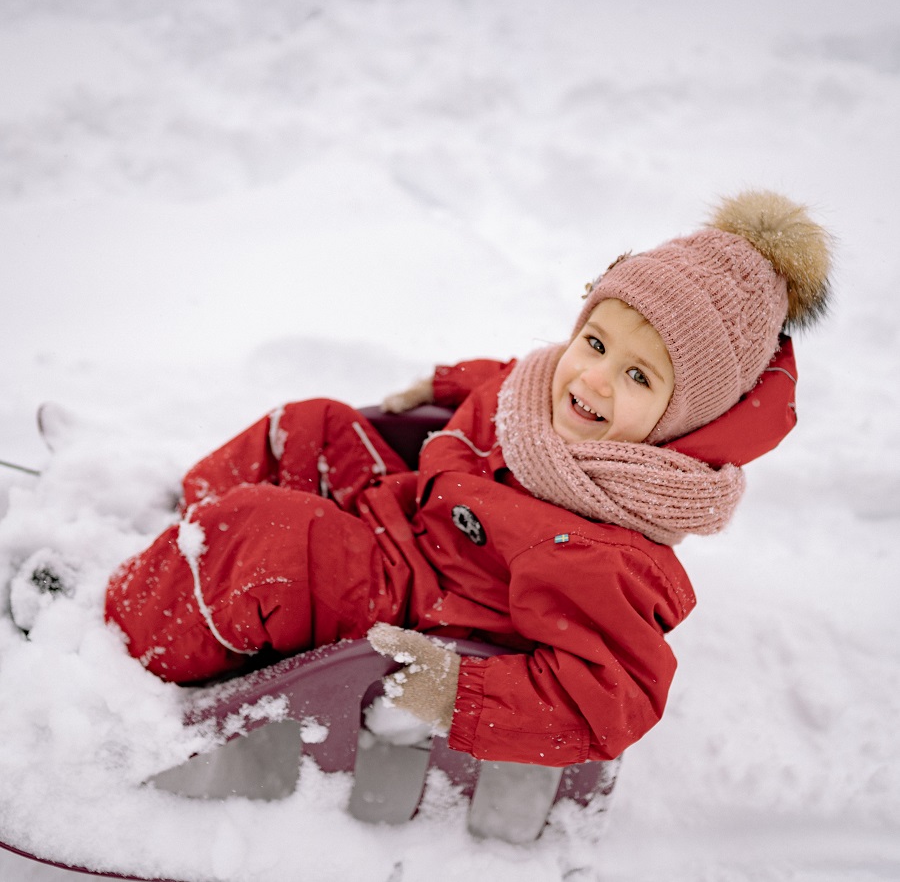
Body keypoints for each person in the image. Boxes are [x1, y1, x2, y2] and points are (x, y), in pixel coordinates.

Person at [104, 190, 831, 767]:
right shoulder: (547, 392)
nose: (593, 378)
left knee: (267, 538)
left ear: (680, 421)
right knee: (311, 426)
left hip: (418, 601)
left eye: (638, 375)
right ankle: (181, 565)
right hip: (405, 513)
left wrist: (460, 692)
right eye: (596, 341)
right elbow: (507, 381)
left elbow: (614, 696)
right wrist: (444, 385)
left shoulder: (610, 549)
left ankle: (121, 644)